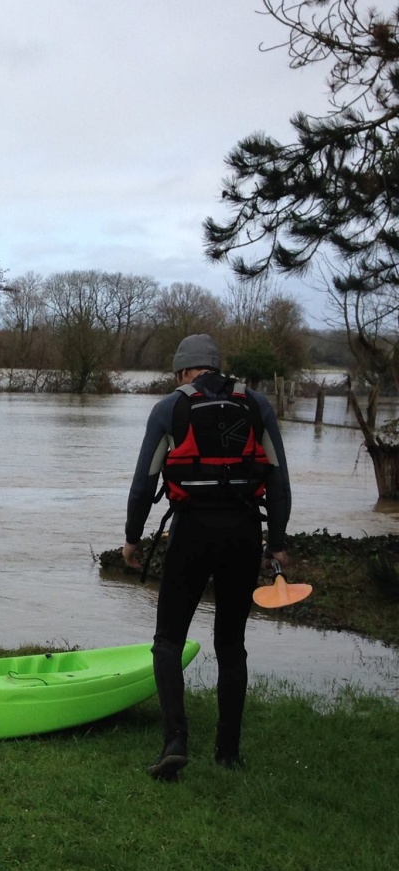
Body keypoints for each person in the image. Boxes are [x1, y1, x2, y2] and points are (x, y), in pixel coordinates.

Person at [122, 333, 292, 779]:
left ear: (182, 371)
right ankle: (228, 752)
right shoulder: (256, 405)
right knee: (231, 644)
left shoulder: (170, 408)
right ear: (218, 366)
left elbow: (145, 481)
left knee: (168, 641)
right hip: (242, 534)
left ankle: (175, 742)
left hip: (191, 532)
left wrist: (132, 537)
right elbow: (278, 482)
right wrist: (276, 542)